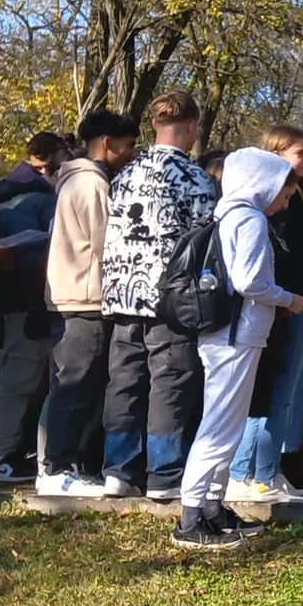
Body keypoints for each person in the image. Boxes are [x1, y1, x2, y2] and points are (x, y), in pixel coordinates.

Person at [176, 150, 303, 550]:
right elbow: (250, 281)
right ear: (263, 186)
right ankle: (191, 515)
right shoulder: (250, 219)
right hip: (237, 333)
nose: (285, 203)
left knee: (226, 423)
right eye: (283, 195)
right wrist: (289, 299)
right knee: (219, 424)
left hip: (230, 333)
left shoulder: (229, 214)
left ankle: (212, 507)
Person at [101, 91, 217, 502]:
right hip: (169, 296)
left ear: (153, 125)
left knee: (125, 380)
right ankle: (164, 471)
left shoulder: (125, 174)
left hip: (122, 293)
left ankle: (118, 468)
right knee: (170, 380)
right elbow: (206, 240)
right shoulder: (194, 178)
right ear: (191, 127)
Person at [224, 125, 303, 503]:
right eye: (299, 153)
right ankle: (255, 474)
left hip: (295, 301)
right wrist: (289, 296)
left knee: (277, 395)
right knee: (274, 395)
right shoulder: (264, 211)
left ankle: (260, 472)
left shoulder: (298, 202)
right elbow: (272, 262)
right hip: (283, 307)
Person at [38, 110, 139, 496]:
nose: (131, 154)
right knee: (75, 387)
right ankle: (57, 467)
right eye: (128, 146)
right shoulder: (92, 185)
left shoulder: (75, 181)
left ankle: (68, 463)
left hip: (75, 294)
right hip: (84, 296)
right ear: (107, 143)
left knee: (76, 386)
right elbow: (107, 245)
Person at [0, 141, 59, 479]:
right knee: (23, 381)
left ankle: (8, 451)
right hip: (33, 300)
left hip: (10, 301)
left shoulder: (2, 198)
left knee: (18, 379)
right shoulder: (43, 200)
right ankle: (11, 455)